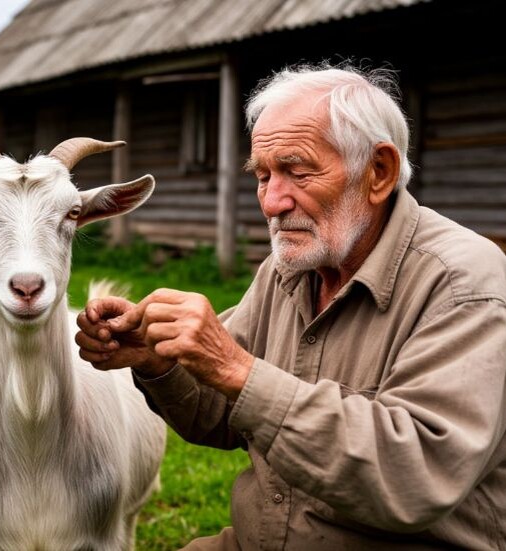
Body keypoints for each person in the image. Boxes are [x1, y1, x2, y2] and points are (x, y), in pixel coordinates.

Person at [76, 64, 506, 549]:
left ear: (378, 172)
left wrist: (235, 367)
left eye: (297, 172)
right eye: (262, 176)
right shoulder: (290, 273)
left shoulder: (463, 283)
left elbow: (418, 478)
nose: (272, 202)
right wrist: (159, 362)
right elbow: (219, 414)